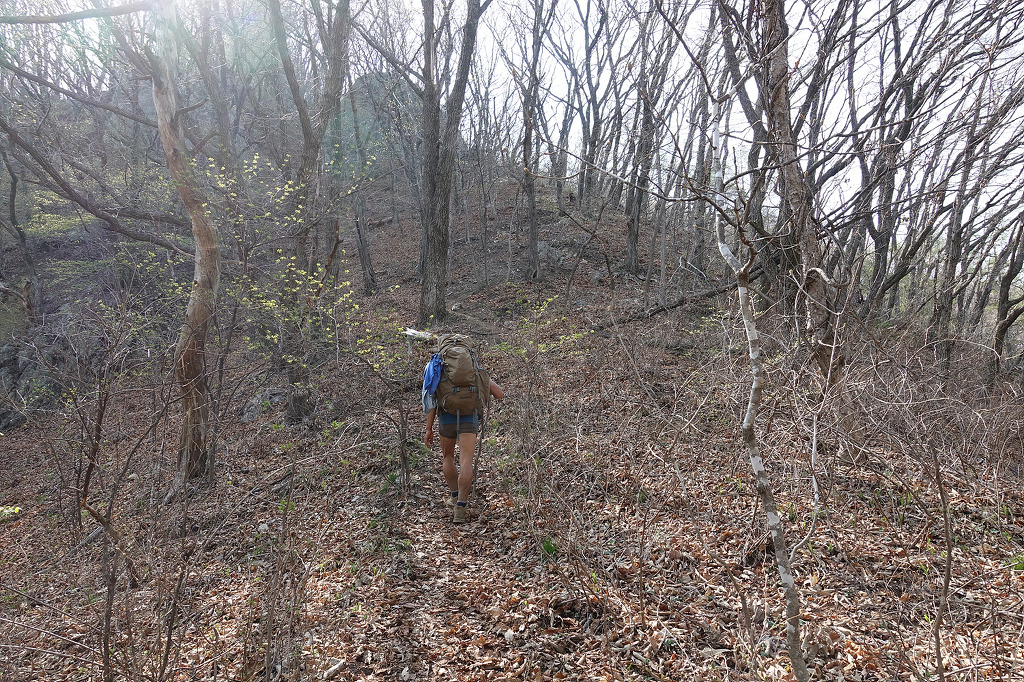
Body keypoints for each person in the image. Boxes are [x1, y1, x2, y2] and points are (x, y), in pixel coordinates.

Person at [422, 343, 504, 524]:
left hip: (446, 417)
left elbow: (431, 401)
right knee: (466, 460)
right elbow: (499, 394)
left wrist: (428, 429)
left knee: (448, 457)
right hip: (469, 417)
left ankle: (454, 495)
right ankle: (461, 507)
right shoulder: (473, 372)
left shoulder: (438, 369)